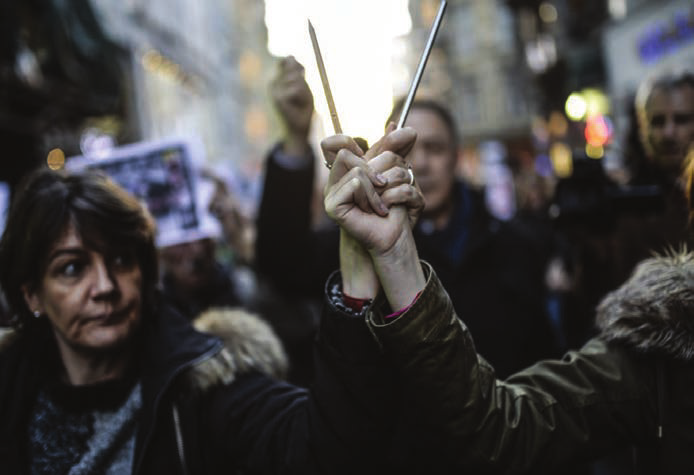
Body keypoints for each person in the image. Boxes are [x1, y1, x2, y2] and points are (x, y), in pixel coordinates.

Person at [0, 153, 450, 474]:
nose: (104, 288)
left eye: (120, 261)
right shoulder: (11, 387)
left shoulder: (205, 380)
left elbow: (325, 449)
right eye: (73, 268)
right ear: (32, 295)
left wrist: (356, 292)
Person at [256, 57, 558, 378]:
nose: (423, 164)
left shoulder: (517, 245)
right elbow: (282, 266)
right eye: (408, 151)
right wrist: (295, 138)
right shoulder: (361, 244)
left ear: (456, 158)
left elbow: (544, 358)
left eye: (435, 148)